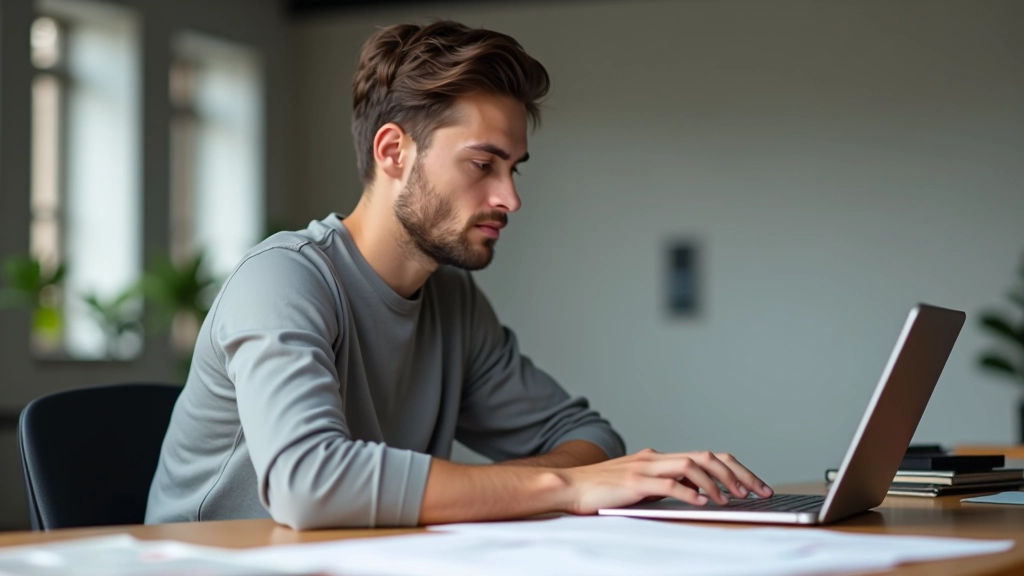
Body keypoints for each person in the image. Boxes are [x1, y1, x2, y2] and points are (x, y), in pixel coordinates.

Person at [146, 20, 773, 530]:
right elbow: (310, 484)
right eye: (482, 163)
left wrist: (572, 479)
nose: (509, 198)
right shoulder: (281, 280)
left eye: (514, 169)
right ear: (393, 152)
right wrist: (563, 486)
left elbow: (585, 435)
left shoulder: (452, 301)